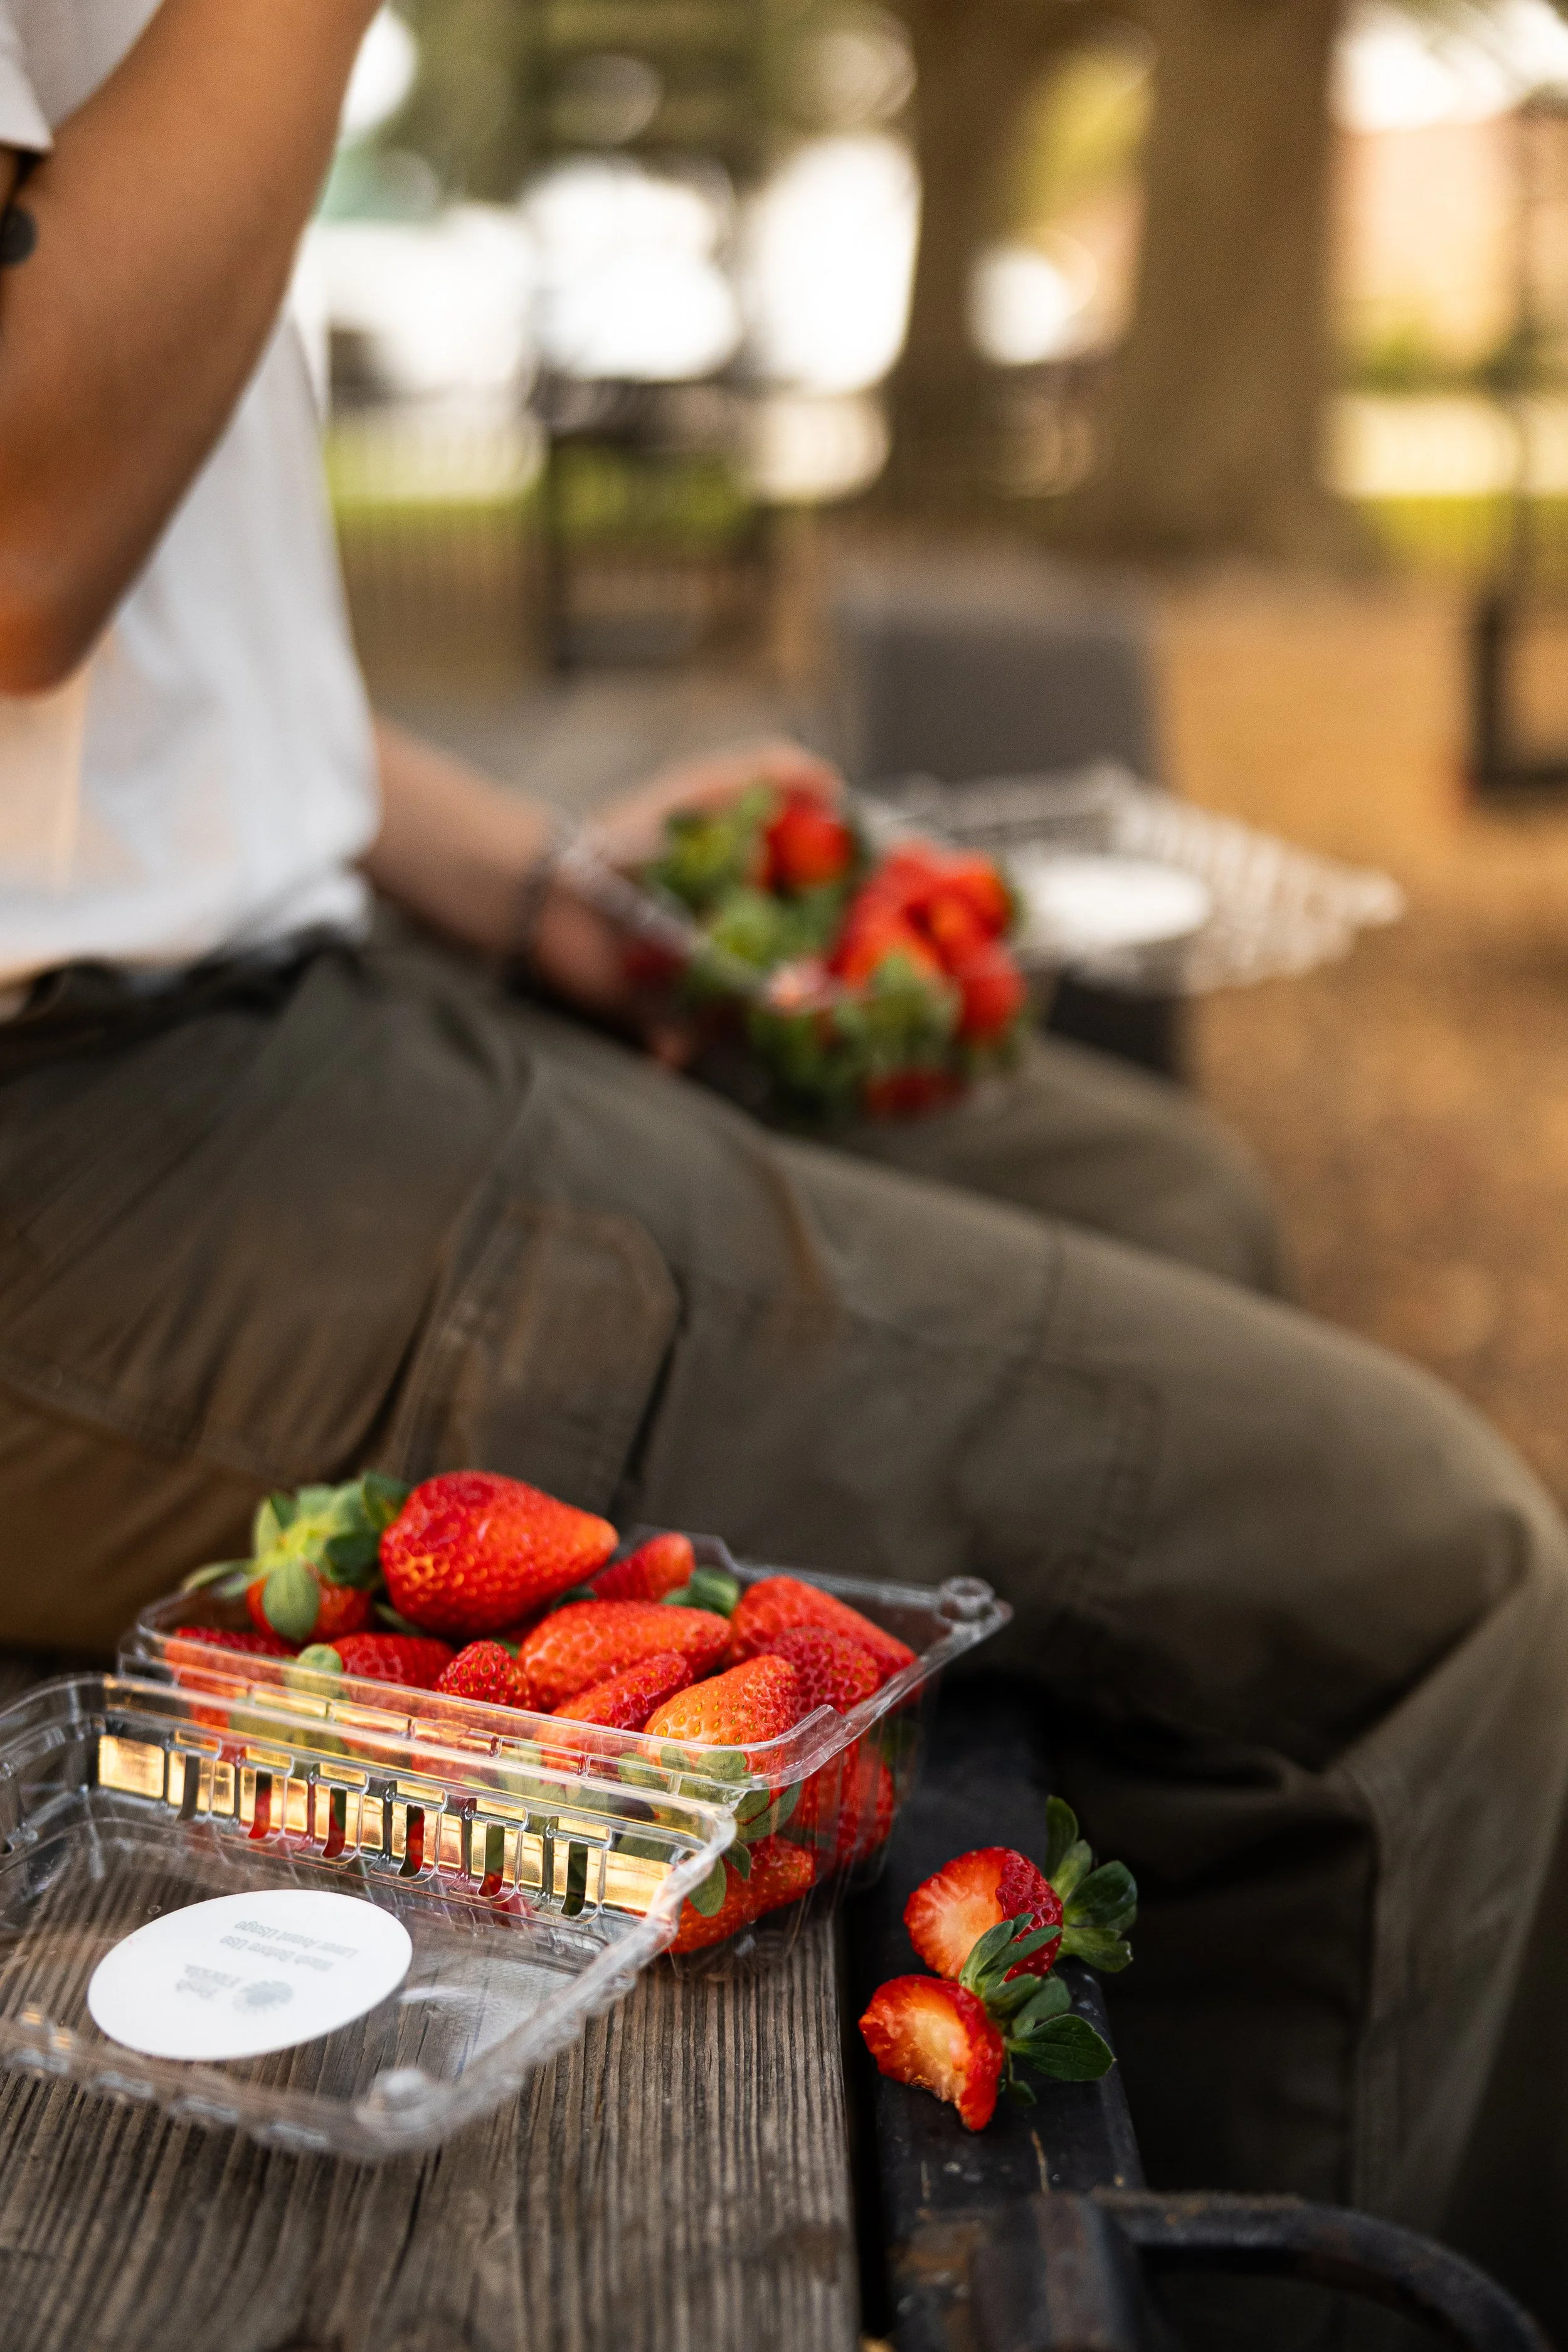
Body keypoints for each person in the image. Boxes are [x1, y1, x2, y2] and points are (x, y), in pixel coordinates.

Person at [2, 1, 1567, 2335]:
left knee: (1161, 1197)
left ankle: (1065, 2117)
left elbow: (131, 641)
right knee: (1424, 1585)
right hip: (88, 1137)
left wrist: (539, 895)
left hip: (283, 976)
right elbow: (27, 526)